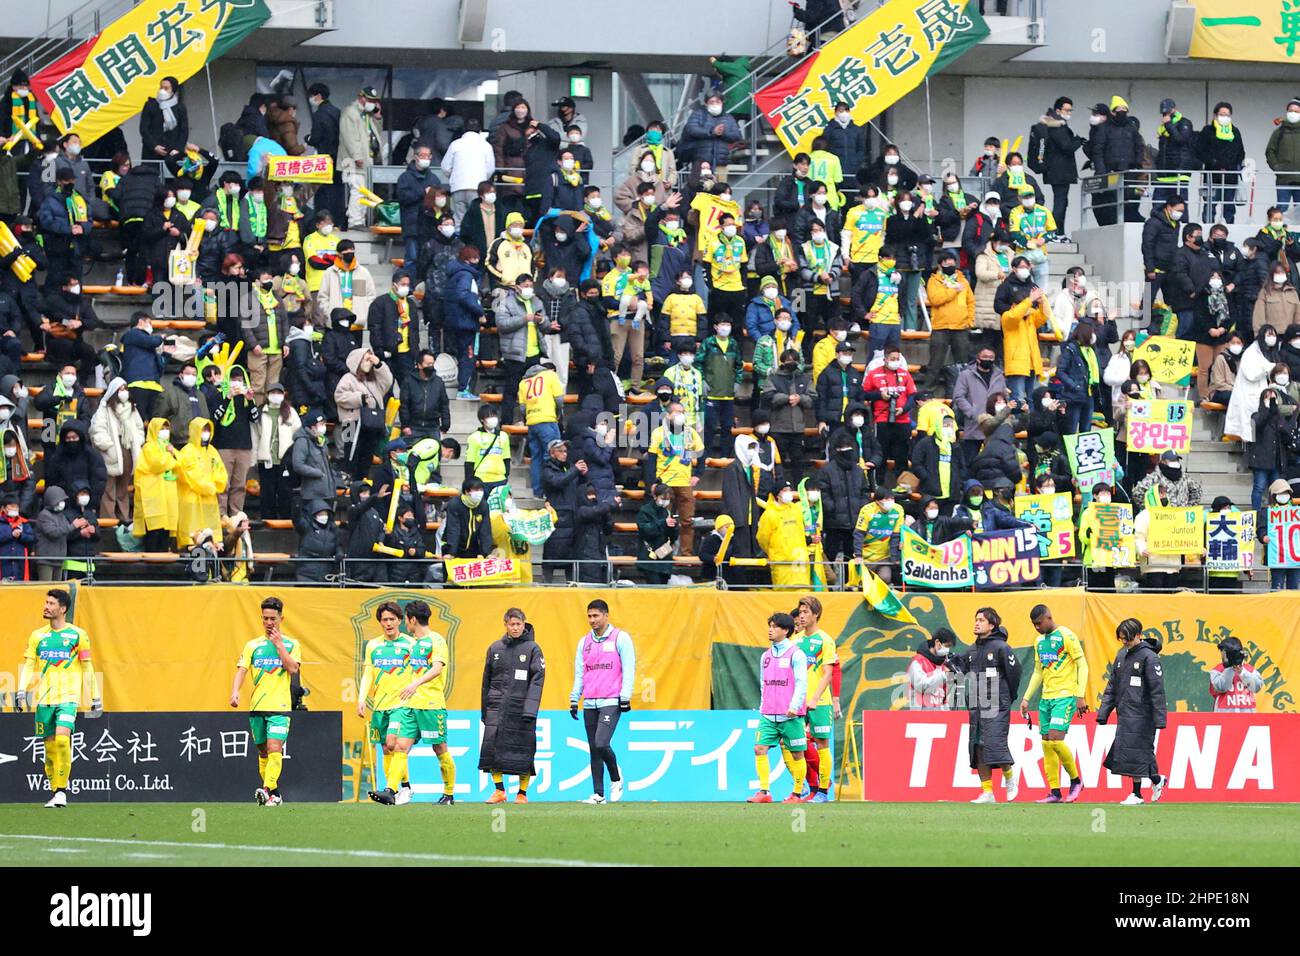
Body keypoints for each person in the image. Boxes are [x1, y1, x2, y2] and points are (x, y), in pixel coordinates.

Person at [13, 589, 99, 807]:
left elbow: (87, 667)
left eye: (51, 603)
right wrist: (21, 691)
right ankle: (55, 792)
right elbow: (29, 665)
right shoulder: (37, 636)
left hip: (69, 697)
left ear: (62, 609)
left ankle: (62, 791)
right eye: (46, 602)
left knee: (62, 740)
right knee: (49, 749)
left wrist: (95, 696)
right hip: (44, 699)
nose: (46, 606)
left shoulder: (78, 635)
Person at [229, 596, 301, 807]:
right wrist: (235, 691)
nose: (269, 622)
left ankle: (266, 789)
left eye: (273, 618)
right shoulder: (253, 645)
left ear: (281, 618)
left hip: (280, 707)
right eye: (265, 618)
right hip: (257, 706)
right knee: (262, 752)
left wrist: (279, 645)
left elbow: (293, 669)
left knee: (274, 748)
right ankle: (275, 794)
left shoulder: (291, 644)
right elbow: (242, 670)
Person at [949, 607, 1022, 804]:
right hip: (976, 705)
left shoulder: (1001, 648)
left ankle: (1010, 778)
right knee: (978, 747)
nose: (977, 622)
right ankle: (987, 792)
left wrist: (1008, 696)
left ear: (992, 625)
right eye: (976, 619)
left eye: (981, 620)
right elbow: (961, 671)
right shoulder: (972, 650)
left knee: (994, 743)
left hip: (997, 704)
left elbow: (1014, 674)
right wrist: (951, 662)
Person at [1019, 605, 1088, 803]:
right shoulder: (1039, 641)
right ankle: (1055, 792)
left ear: (1049, 617)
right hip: (1046, 699)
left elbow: (1082, 665)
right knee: (1047, 744)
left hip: (1064, 697)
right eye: (1033, 625)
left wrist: (1079, 694)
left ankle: (1076, 780)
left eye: (1039, 623)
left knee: (1056, 740)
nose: (1037, 628)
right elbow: (1038, 672)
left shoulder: (1067, 636)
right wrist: (1026, 698)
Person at [569, 600, 635, 804]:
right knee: (593, 749)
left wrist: (625, 696)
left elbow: (629, 668)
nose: (592, 620)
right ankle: (598, 794)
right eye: (589, 616)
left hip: (611, 700)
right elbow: (580, 672)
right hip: (589, 701)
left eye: (596, 616)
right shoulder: (584, 642)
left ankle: (616, 778)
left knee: (601, 743)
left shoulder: (621, 638)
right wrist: (574, 698)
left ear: (606, 615)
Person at [1096, 618, 1167, 805]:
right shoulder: (1121, 656)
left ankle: (1137, 794)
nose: (1124, 643)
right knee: (1139, 751)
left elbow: (1157, 689)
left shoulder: (1150, 658)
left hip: (1143, 715)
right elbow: (1112, 686)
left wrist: (1160, 718)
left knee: (1135, 753)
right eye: (1121, 639)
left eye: (1127, 639)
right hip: (1125, 713)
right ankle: (1158, 780)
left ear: (1137, 635)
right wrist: (1104, 712)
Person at [479, 608, 545, 804]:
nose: (515, 628)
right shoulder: (495, 648)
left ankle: (522, 793)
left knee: (523, 750)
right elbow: (486, 681)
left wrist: (530, 710)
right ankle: (499, 790)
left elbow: (538, 680)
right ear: (505, 625)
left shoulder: (533, 649)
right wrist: (485, 710)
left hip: (522, 709)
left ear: (524, 625)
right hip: (497, 707)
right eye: (511, 624)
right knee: (493, 749)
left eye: (518, 624)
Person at [746, 612, 808, 804]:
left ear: (786, 630)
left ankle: (797, 794)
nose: (770, 630)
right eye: (770, 626)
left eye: (774, 627)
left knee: (797, 754)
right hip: (768, 715)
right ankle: (764, 792)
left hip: (790, 716)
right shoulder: (765, 656)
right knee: (759, 748)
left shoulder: (796, 654)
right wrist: (763, 705)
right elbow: (764, 683)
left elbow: (801, 682)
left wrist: (794, 705)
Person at [358, 602, 415, 805]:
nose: (388, 623)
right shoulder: (373, 645)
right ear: (380, 622)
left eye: (392, 619)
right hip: (379, 706)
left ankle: (390, 790)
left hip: (402, 705)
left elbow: (420, 672)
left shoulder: (410, 644)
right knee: (385, 748)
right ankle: (405, 788)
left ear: (399, 620)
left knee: (394, 742)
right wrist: (361, 698)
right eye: (384, 620)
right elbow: (368, 674)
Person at [794, 596, 838, 802]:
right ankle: (801, 787)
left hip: (819, 702)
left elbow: (828, 673)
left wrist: (814, 698)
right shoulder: (794, 641)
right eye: (800, 612)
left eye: (805, 612)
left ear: (816, 614)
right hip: (797, 702)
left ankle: (822, 791)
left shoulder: (825, 640)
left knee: (822, 744)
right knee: (792, 742)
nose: (801, 616)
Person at [645, 401, 703, 555]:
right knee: (664, 521)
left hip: (684, 483)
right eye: (677, 412)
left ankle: (686, 555)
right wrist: (652, 483)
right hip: (665, 484)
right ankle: (664, 554)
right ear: (668, 415)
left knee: (687, 521)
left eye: (682, 412)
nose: (680, 415)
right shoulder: (659, 433)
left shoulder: (690, 432)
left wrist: (698, 474)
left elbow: (702, 453)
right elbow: (651, 460)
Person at [996, 257, 1052, 402]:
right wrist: (1029, 301)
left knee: (1032, 399)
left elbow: (1044, 317)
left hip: (1031, 362)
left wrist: (1041, 301)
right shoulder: (1008, 316)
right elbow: (1013, 314)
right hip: (1017, 364)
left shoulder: (1031, 315)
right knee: (1018, 399)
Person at [1029, 96, 1085, 232]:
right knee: (1061, 202)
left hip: (1054, 170)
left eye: (1071, 110)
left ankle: (1057, 231)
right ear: (1058, 110)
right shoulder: (1057, 125)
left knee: (1061, 201)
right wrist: (1078, 141)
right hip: (1060, 171)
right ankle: (1056, 231)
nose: (1069, 113)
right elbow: (1066, 147)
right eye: (1067, 110)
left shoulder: (1050, 124)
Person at [862, 346, 916, 482]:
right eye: (892, 359)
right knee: (881, 454)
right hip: (882, 420)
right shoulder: (874, 373)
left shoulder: (904, 373)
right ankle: (878, 484)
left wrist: (903, 409)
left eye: (897, 359)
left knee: (902, 456)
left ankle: (902, 486)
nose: (895, 361)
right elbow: (863, 394)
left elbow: (912, 396)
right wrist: (879, 395)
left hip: (902, 420)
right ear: (885, 359)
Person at [925, 250, 975, 394]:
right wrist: (953, 291)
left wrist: (970, 320)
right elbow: (935, 299)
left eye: (952, 260)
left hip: (960, 327)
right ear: (940, 264)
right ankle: (928, 392)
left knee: (962, 364)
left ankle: (962, 392)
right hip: (941, 327)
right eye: (946, 261)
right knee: (935, 363)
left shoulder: (963, 280)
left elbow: (970, 302)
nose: (949, 263)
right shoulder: (934, 281)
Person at [1226, 324, 1281, 443]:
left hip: (1258, 393)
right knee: (1248, 426)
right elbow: (1251, 374)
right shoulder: (1251, 352)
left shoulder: (1264, 352)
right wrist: (1268, 368)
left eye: (1274, 335)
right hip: (1248, 394)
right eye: (1269, 334)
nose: (1272, 338)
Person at [339, 86, 384, 230]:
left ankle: (361, 220)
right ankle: (355, 221)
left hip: (368, 160)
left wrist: (378, 116)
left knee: (365, 191)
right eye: (370, 99)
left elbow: (376, 133)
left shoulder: (367, 115)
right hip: (353, 162)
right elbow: (350, 137)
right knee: (357, 190)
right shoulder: (351, 113)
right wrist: (357, 156)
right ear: (361, 97)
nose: (372, 103)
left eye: (374, 101)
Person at [132, 419, 180, 550]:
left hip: (167, 497)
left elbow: (181, 463)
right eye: (161, 428)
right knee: (153, 533)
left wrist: (172, 454)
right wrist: (171, 456)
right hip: (153, 497)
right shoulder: (149, 447)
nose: (165, 431)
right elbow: (157, 464)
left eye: (166, 428)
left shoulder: (169, 447)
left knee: (165, 534)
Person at [756, 480, 810, 589]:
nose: (789, 493)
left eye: (789, 490)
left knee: (803, 592)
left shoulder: (795, 509)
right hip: (782, 562)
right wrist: (774, 551)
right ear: (777, 495)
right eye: (785, 490)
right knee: (784, 594)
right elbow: (762, 538)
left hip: (800, 560)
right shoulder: (769, 515)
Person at [440, 119, 496, 225]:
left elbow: (445, 167)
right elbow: (490, 169)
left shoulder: (455, 144)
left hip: (458, 187)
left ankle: (460, 240)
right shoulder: (486, 146)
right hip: (477, 187)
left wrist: (455, 176)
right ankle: (472, 241)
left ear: (464, 130)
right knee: (476, 219)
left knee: (459, 219)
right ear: (480, 130)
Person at [1196, 102, 1245, 224]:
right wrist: (1214, 163)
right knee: (1210, 206)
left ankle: (1229, 229)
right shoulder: (1208, 131)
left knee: (1229, 208)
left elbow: (1241, 152)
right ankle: (1208, 228)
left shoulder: (1235, 131)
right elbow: (1199, 151)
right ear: (1215, 115)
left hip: (1230, 177)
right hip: (1212, 176)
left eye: (1227, 114)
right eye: (1222, 114)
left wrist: (1232, 167)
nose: (1225, 117)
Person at [680, 93, 740, 183]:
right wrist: (712, 131)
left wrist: (723, 133)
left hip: (721, 162)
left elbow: (737, 135)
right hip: (702, 162)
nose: (715, 104)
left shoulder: (729, 118)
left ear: (722, 102)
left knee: (720, 190)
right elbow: (692, 129)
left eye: (717, 101)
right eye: (711, 102)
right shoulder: (698, 114)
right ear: (706, 103)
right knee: (702, 190)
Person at [1210, 637, 1263, 712]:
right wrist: (1229, 668)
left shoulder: (1249, 669)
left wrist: (1242, 672)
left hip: (1247, 718)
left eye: (1225, 652)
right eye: (1223, 652)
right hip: (1224, 719)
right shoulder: (1217, 670)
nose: (1223, 655)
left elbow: (1256, 687)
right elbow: (1221, 688)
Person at [908, 628, 956, 710]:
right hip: (921, 717)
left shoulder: (945, 664)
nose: (948, 650)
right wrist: (944, 675)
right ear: (937, 642)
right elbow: (921, 686)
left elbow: (944, 697)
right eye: (947, 646)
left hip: (940, 717)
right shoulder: (918, 662)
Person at [1266, 97, 1300, 212]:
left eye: (1296, 111)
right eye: (1290, 111)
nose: (1293, 113)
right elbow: (1270, 151)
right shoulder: (1279, 132)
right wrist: (1277, 167)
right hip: (1283, 178)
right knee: (1282, 208)